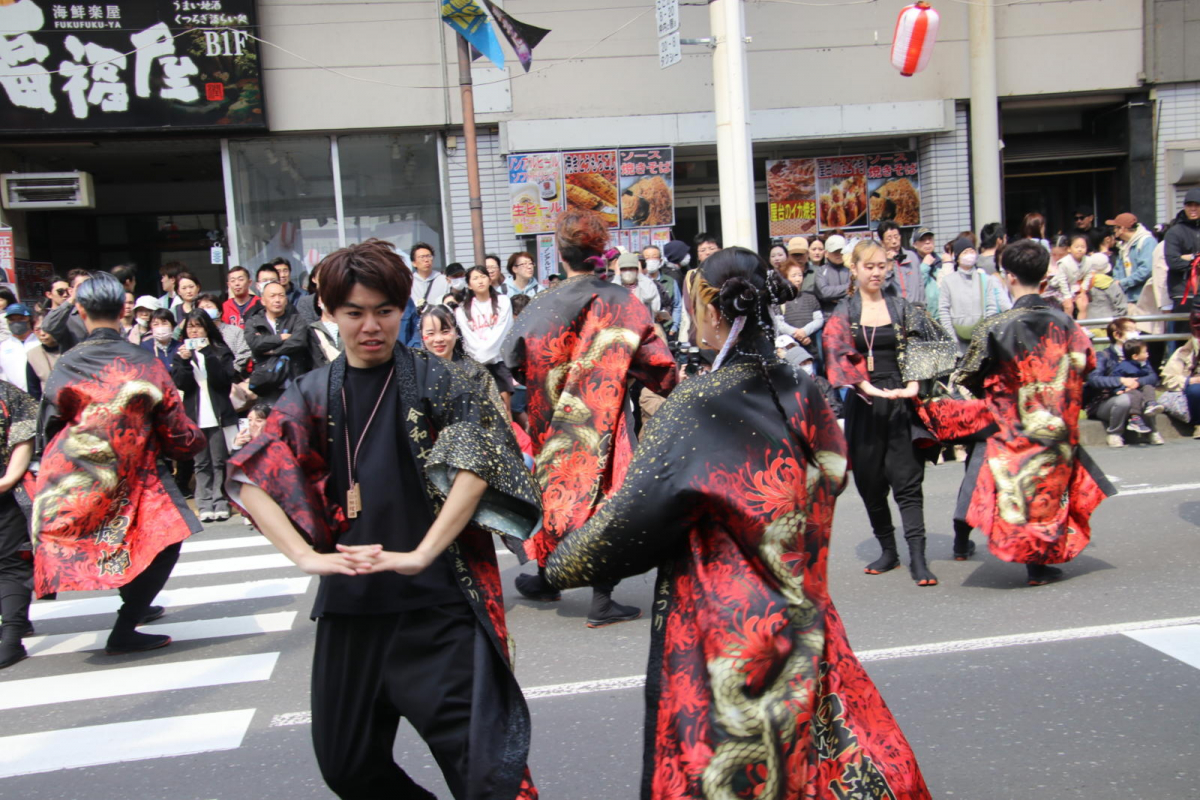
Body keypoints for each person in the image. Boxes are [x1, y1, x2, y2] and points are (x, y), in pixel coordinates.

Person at [543, 246, 931, 800]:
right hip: (806, 614)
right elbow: (833, 476)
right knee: (816, 763)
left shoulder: (698, 403)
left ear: (707, 308)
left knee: (738, 775)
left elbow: (630, 524)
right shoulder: (805, 390)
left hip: (728, 633)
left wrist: (561, 561)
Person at [226, 239, 541, 800]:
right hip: (351, 611)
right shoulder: (313, 391)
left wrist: (422, 552)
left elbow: (482, 461)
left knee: (488, 777)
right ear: (329, 313)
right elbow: (251, 474)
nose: (370, 326)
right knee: (347, 767)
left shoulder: (439, 380)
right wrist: (305, 557)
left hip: (440, 607)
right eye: (354, 313)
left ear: (404, 310)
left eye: (384, 311)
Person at [503, 210, 678, 626]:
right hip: (604, 417)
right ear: (602, 252)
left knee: (555, 492)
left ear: (560, 255)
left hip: (550, 419)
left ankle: (549, 577)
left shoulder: (543, 300)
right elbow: (657, 362)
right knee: (606, 499)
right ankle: (599, 597)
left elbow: (511, 354)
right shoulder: (621, 300)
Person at [918, 240, 1116, 585]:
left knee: (988, 477)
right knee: (1047, 493)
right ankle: (1037, 566)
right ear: (1044, 276)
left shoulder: (995, 327)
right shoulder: (1067, 323)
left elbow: (967, 374)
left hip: (1008, 423)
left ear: (1007, 276)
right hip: (1055, 425)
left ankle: (962, 539)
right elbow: (1087, 364)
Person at [33, 272, 206, 653]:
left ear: (81, 310)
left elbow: (49, 422)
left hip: (76, 473)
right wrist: (194, 442)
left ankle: (134, 606)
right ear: (124, 311)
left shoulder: (67, 363)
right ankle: (128, 623)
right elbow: (176, 429)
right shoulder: (144, 363)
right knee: (165, 539)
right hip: (134, 473)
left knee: (114, 540)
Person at [825, 240, 953, 587]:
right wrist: (863, 386)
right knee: (869, 482)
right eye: (869, 266)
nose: (877, 272)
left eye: (882, 265)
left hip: (900, 400)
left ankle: (918, 557)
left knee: (908, 480)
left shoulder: (901, 307)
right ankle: (888, 550)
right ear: (854, 269)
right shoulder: (845, 310)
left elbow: (929, 341)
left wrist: (913, 383)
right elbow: (835, 349)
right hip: (864, 403)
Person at [171, 310, 238, 522]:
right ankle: (204, 501)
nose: (194, 330)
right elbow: (181, 384)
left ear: (207, 328)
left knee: (219, 461)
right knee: (200, 463)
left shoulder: (219, 351)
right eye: (190, 327)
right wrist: (183, 362)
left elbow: (223, 381)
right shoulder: (181, 353)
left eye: (198, 326)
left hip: (218, 414)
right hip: (195, 416)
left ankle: (220, 500)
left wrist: (207, 352)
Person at [0, 379, 38, 669]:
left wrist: (9, 479)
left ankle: (12, 633)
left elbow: (25, 435)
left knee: (10, 564)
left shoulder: (6, 393)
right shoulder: (6, 392)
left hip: (5, 492)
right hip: (5, 486)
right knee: (10, 564)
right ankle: (13, 628)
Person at [1085, 316, 1165, 447]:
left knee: (1148, 396)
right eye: (1130, 330)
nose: (1135, 334)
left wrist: (1137, 382)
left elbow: (1152, 377)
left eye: (1136, 330)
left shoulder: (1140, 354)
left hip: (1136, 395)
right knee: (1125, 400)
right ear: (1117, 335)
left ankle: (1153, 432)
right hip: (1107, 401)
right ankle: (1115, 433)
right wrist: (1121, 380)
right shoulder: (1104, 356)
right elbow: (1094, 379)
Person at [456, 265, 515, 410]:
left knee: (504, 407)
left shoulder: (503, 301)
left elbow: (502, 331)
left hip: (499, 360)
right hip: (476, 363)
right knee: (481, 408)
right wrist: (480, 357)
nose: (480, 281)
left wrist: (485, 353)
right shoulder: (462, 309)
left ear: (489, 280)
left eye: (483, 276)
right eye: (475, 278)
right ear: (469, 285)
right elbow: (468, 337)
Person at [245, 281, 311, 400]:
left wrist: (273, 351)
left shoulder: (296, 319)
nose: (277, 300)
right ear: (263, 301)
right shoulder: (254, 321)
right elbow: (255, 344)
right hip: (266, 382)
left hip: (294, 380)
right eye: (272, 296)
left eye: (281, 295)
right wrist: (280, 337)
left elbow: (299, 342)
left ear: (286, 299)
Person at [940, 236, 1003, 356]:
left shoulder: (985, 279)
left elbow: (991, 307)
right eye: (965, 252)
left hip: (982, 342)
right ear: (957, 257)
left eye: (972, 251)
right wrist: (952, 338)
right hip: (958, 342)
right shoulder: (948, 281)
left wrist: (984, 334)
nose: (969, 255)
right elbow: (944, 310)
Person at [1158, 306, 1200, 437]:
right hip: (1195, 387)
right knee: (1195, 390)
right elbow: (1169, 379)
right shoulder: (1185, 351)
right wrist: (1190, 380)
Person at [1164, 188, 1200, 332]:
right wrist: (1195, 260)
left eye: (1197, 205)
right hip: (1183, 292)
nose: (1192, 208)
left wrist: (1187, 257)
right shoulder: (1175, 231)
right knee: (1184, 339)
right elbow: (1172, 261)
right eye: (1189, 205)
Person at [774, 257, 823, 349]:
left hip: (810, 344)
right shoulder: (780, 301)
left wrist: (805, 332)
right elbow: (779, 323)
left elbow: (819, 320)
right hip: (788, 347)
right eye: (793, 276)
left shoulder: (811, 298)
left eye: (800, 275)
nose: (798, 279)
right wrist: (796, 333)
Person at [197, 293, 251, 374]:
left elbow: (244, 354)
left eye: (208, 307)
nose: (205, 311)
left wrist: (230, 372)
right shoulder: (196, 333)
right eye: (202, 308)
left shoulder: (235, 331)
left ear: (219, 312)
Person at [1109, 212, 1155, 302]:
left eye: (1115, 227)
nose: (1114, 230)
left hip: (1143, 299)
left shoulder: (1147, 242)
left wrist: (1123, 282)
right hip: (1126, 299)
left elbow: (1146, 270)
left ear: (1122, 229)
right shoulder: (1123, 246)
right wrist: (1116, 283)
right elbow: (1118, 270)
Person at [879, 220, 922, 302]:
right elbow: (881, 287)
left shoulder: (911, 256)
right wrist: (888, 267)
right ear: (882, 242)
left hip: (914, 309)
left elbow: (920, 285)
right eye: (889, 238)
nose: (894, 241)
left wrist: (922, 305)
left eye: (896, 236)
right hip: (894, 311)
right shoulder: (879, 261)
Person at [25, 307, 61, 401]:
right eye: (37, 330)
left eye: (46, 329)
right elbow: (34, 390)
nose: (42, 334)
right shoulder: (33, 355)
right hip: (49, 407)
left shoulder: (71, 349)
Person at [814, 233, 851, 314]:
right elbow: (824, 292)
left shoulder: (852, 268)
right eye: (835, 251)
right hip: (829, 317)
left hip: (850, 315)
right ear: (826, 253)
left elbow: (856, 289)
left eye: (841, 250)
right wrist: (848, 289)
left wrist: (835, 296)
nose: (839, 254)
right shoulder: (820, 271)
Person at [409, 242, 448, 310]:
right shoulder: (408, 282)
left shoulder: (444, 280)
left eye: (429, 256)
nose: (426, 260)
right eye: (422, 257)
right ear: (414, 263)